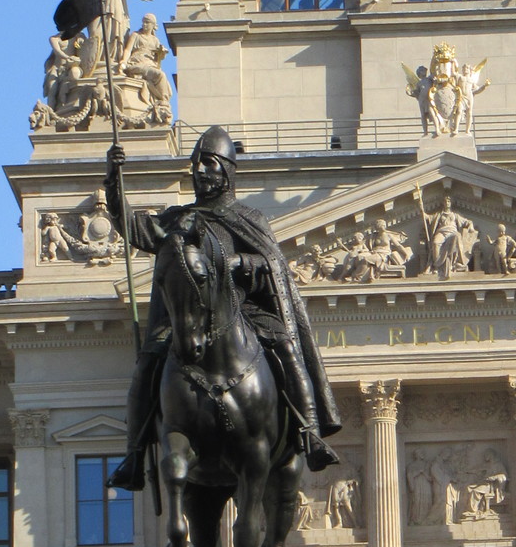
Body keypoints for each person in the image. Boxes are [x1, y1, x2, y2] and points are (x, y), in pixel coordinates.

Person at [104, 130, 342, 489]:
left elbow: (272, 266)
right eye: (196, 164)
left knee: (286, 348)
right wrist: (114, 181)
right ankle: (134, 454)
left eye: (208, 163)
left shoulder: (248, 217)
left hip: (244, 312)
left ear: (227, 170)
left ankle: (310, 433)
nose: (199, 171)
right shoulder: (178, 220)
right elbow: (135, 228)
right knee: (148, 361)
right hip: (188, 318)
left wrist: (239, 263)